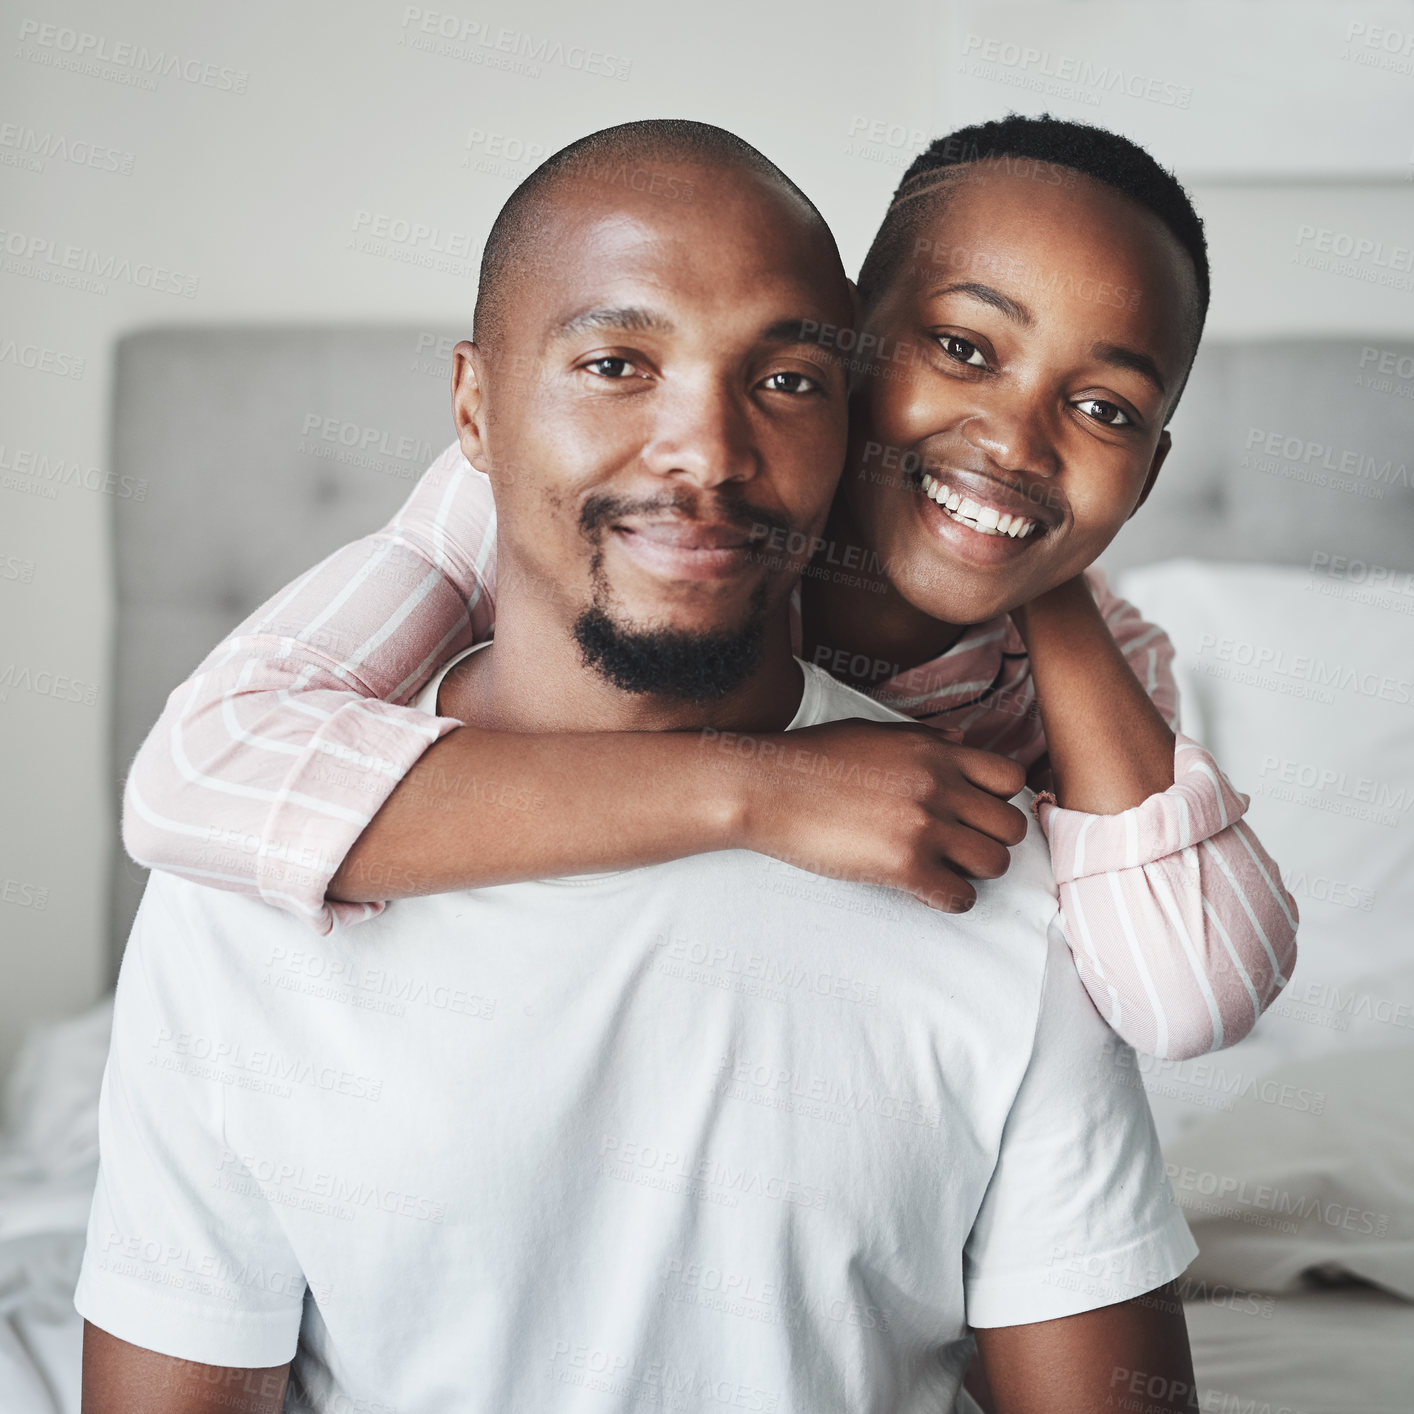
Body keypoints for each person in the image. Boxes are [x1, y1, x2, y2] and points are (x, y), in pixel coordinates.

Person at [79, 121, 1199, 1414]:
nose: (704, 451)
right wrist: (756, 791)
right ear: (474, 408)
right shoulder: (253, 873)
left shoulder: (990, 859)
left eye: (784, 380)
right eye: (616, 362)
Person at [122, 112, 1295, 1065]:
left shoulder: (1106, 670)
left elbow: (1188, 999)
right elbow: (201, 776)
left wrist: (1052, 570)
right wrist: (766, 789)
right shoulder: (620, 521)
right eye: (964, 349)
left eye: (1105, 413)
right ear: (839, 337)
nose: (1015, 434)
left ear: (1149, 470)